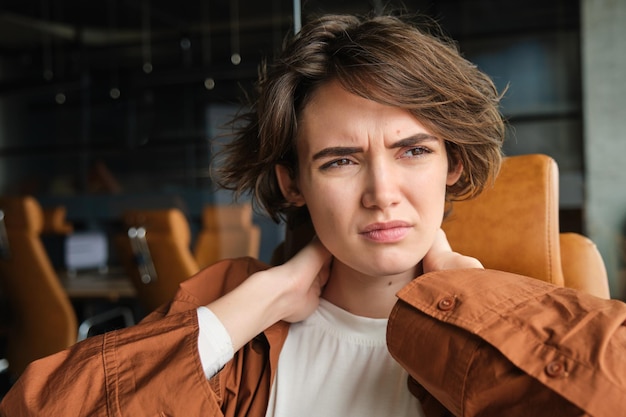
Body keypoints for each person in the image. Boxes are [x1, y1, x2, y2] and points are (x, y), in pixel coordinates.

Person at [1, 13, 625, 417]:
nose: (382, 192)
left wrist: (465, 295)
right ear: (292, 183)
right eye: (339, 162)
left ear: (453, 165)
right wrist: (262, 301)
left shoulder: (525, 315)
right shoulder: (240, 321)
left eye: (413, 151)